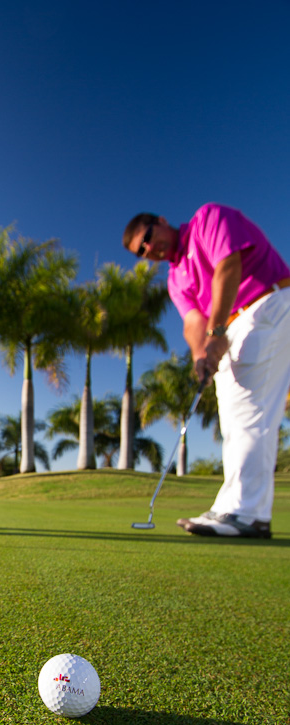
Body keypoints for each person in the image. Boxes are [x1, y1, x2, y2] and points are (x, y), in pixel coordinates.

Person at [123, 203, 290, 539]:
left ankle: (248, 513)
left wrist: (216, 334)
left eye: (148, 237)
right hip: (231, 327)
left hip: (266, 305)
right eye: (141, 251)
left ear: (162, 222)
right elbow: (192, 321)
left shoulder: (207, 219)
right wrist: (201, 356)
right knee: (232, 418)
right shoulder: (176, 278)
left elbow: (229, 266)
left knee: (250, 411)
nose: (149, 249)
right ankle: (232, 507)